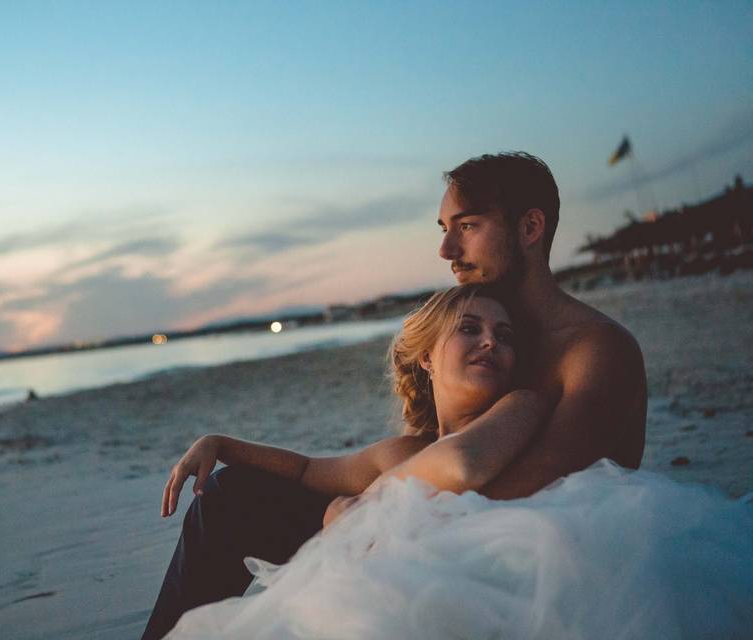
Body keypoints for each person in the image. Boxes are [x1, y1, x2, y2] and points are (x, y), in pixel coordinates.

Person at [141, 152, 648, 639]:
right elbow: (377, 461)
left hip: (523, 557)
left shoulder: (595, 348)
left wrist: (375, 507)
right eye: (445, 230)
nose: (447, 251)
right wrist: (224, 443)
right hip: (433, 514)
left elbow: (533, 480)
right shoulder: (491, 342)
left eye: (467, 227)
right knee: (231, 497)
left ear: (530, 228)